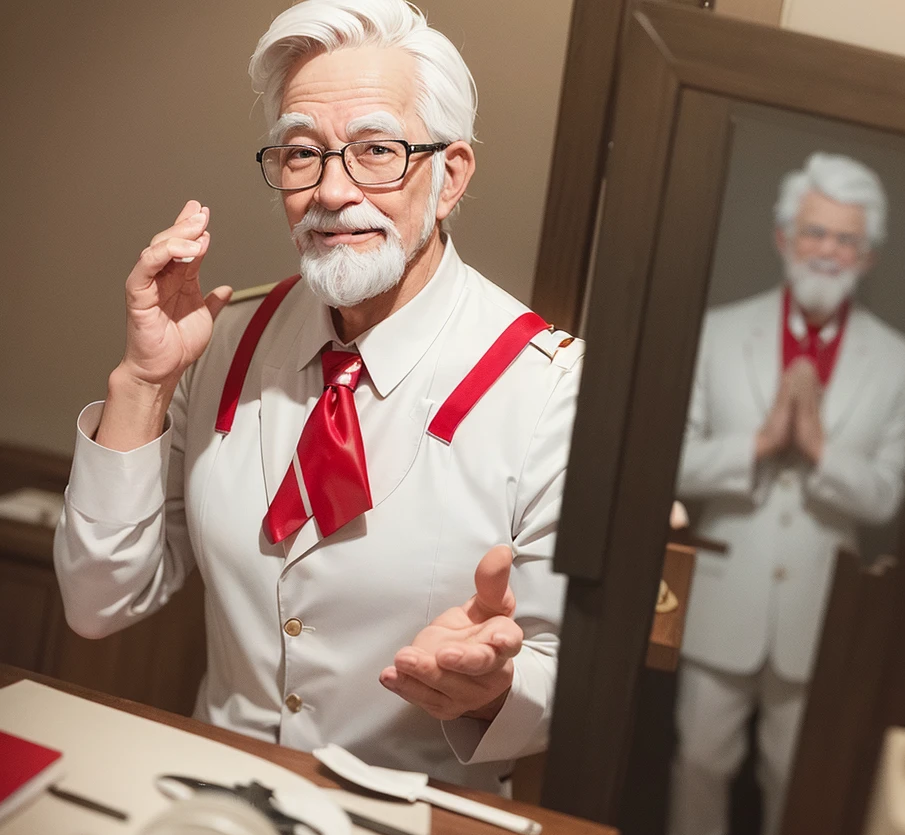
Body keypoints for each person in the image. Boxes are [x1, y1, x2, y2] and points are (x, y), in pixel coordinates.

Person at [53, 0, 583, 794]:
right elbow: (99, 603)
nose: (332, 191)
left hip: (414, 824)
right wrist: (143, 383)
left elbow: (564, 680)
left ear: (450, 176)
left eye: (377, 150)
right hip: (215, 800)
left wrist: (494, 690)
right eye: (302, 154)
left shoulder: (548, 388)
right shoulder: (222, 340)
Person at [633, 153, 905, 835]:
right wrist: (759, 443)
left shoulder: (899, 362)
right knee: (700, 753)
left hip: (820, 605)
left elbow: (889, 497)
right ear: (784, 235)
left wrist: (821, 449)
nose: (829, 250)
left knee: (796, 772)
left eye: (848, 240)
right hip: (724, 588)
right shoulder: (720, 334)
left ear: (869, 254)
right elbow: (677, 461)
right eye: (815, 232)